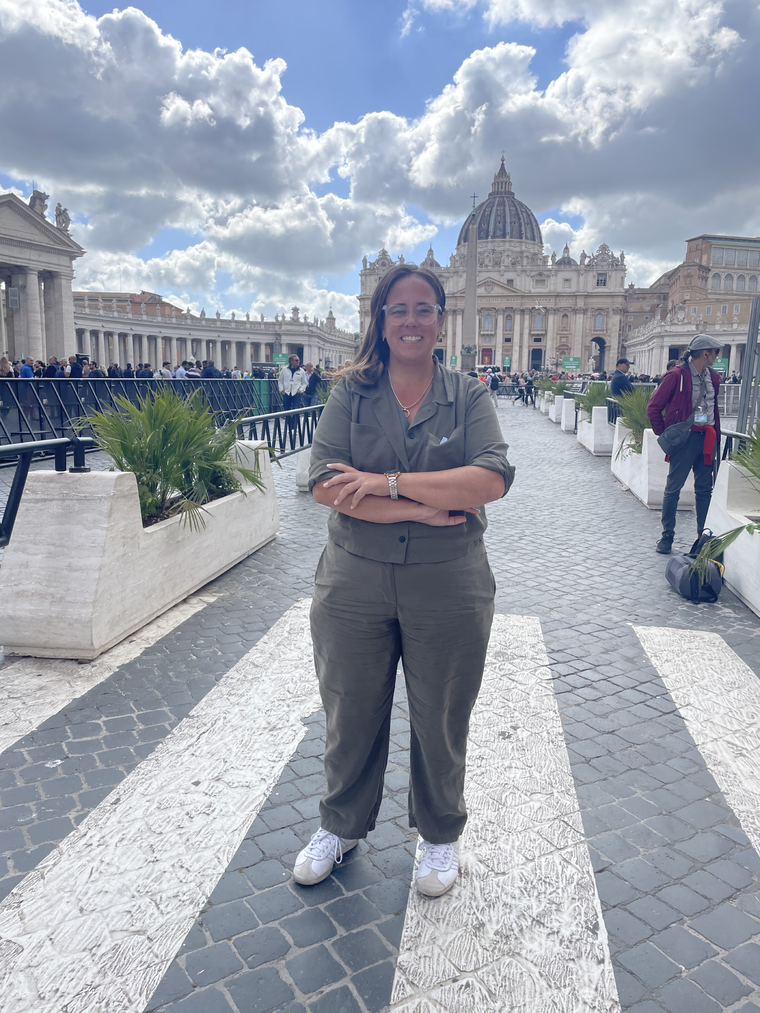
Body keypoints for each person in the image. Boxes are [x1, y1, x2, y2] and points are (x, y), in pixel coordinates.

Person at [295, 264, 514, 899]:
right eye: (399, 310)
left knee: (442, 714)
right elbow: (327, 487)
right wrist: (422, 507)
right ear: (381, 322)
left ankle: (440, 835)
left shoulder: (468, 394)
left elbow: (491, 481)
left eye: (424, 309)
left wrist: (388, 485)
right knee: (349, 708)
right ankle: (340, 826)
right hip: (353, 581)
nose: (411, 321)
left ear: (441, 320)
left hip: (449, 583)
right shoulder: (349, 393)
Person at [647, 333, 722, 555]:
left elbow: (712, 409)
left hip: (706, 438)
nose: (717, 356)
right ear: (705, 353)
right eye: (715, 352)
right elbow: (653, 407)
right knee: (673, 489)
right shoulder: (677, 375)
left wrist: (716, 435)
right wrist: (667, 433)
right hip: (685, 440)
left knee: (705, 490)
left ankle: (703, 538)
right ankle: (667, 536)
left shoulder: (713, 377)